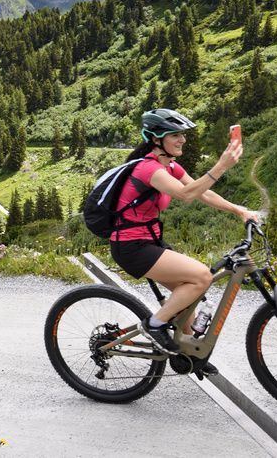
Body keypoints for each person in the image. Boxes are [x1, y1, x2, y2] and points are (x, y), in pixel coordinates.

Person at [108, 108, 261, 374]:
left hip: (150, 241)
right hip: (131, 247)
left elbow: (203, 193)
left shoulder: (170, 166)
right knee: (201, 276)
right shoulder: (148, 169)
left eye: (183, 135)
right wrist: (222, 165)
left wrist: (240, 210)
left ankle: (187, 355)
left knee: (190, 292)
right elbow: (186, 195)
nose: (183, 140)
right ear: (157, 138)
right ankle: (155, 326)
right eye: (176, 135)